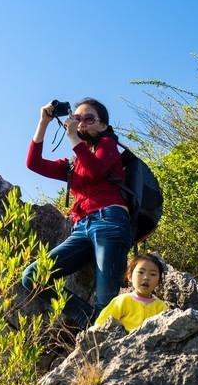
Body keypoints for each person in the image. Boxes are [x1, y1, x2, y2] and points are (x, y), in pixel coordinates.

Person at [22, 98, 132, 327]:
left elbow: (94, 171)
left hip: (110, 221)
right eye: (77, 118)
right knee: (33, 277)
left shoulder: (108, 146)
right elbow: (33, 163)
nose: (81, 123)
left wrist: (73, 136)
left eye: (89, 118)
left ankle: (103, 332)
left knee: (106, 301)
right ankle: (91, 321)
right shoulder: (73, 164)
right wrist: (43, 122)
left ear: (102, 125)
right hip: (81, 228)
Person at [95, 252, 168, 332]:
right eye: (141, 272)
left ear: (159, 281)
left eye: (153, 274)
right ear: (129, 276)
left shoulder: (161, 307)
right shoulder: (122, 301)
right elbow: (101, 323)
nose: (146, 277)